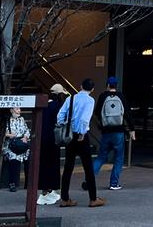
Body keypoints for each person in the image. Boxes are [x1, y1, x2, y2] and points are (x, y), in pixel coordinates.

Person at [57, 79, 104, 208]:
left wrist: (64, 125)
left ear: (80, 86)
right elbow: (85, 118)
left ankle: (65, 198)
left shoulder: (71, 98)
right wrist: (82, 133)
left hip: (70, 135)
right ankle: (93, 198)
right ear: (92, 89)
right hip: (81, 136)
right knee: (88, 167)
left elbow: (60, 115)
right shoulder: (90, 100)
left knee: (68, 167)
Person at [92, 77, 136, 190]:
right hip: (119, 132)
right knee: (119, 158)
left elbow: (97, 112)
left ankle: (89, 180)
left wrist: (102, 122)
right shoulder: (121, 96)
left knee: (101, 157)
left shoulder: (103, 96)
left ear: (107, 85)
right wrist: (132, 129)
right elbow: (127, 113)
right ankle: (114, 184)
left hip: (106, 131)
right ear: (116, 86)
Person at [37, 84, 65, 205]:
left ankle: (46, 190)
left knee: (44, 164)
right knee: (53, 165)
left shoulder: (43, 105)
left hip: (42, 139)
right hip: (53, 139)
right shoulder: (57, 106)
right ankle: (48, 192)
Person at [3, 106, 30, 192]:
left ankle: (28, 183)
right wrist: (9, 135)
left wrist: (25, 137)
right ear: (11, 110)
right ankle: (12, 183)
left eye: (19, 109)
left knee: (28, 160)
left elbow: (27, 130)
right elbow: (2, 133)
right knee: (14, 161)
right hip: (11, 145)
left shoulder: (22, 119)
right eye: (17, 109)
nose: (19, 111)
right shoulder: (7, 120)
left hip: (21, 142)